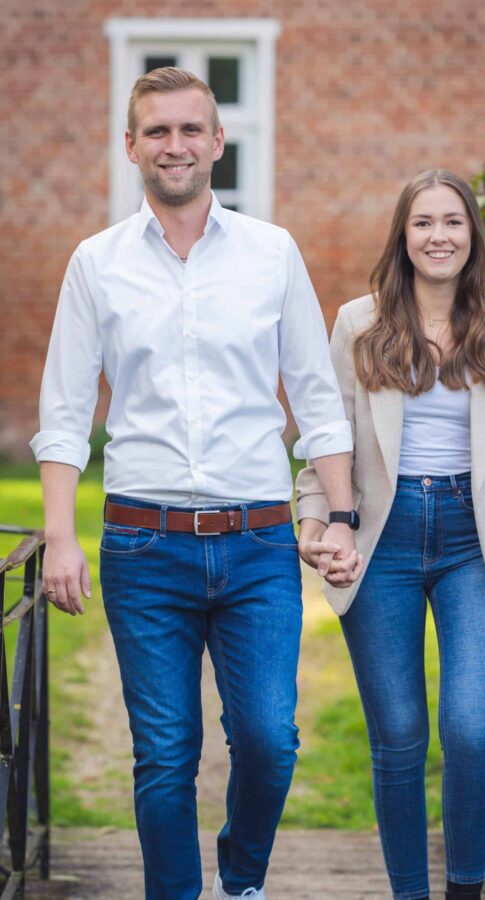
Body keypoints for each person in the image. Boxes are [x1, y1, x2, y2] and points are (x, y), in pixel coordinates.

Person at [30, 67, 360, 900]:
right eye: (157, 131)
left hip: (256, 543)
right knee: (165, 752)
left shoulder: (270, 252)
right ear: (131, 145)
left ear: (217, 141)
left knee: (268, 741)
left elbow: (316, 398)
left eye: (190, 129)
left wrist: (343, 514)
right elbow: (65, 411)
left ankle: (240, 879)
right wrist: (62, 535)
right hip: (143, 547)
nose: (174, 145)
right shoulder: (96, 264)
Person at [296, 169, 485, 900]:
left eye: (453, 222)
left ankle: (465, 892)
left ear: (472, 234)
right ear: (403, 236)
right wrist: (314, 529)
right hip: (383, 538)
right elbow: (327, 446)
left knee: (472, 733)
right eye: (423, 223)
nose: (439, 236)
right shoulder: (358, 322)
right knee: (400, 740)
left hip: (476, 544)